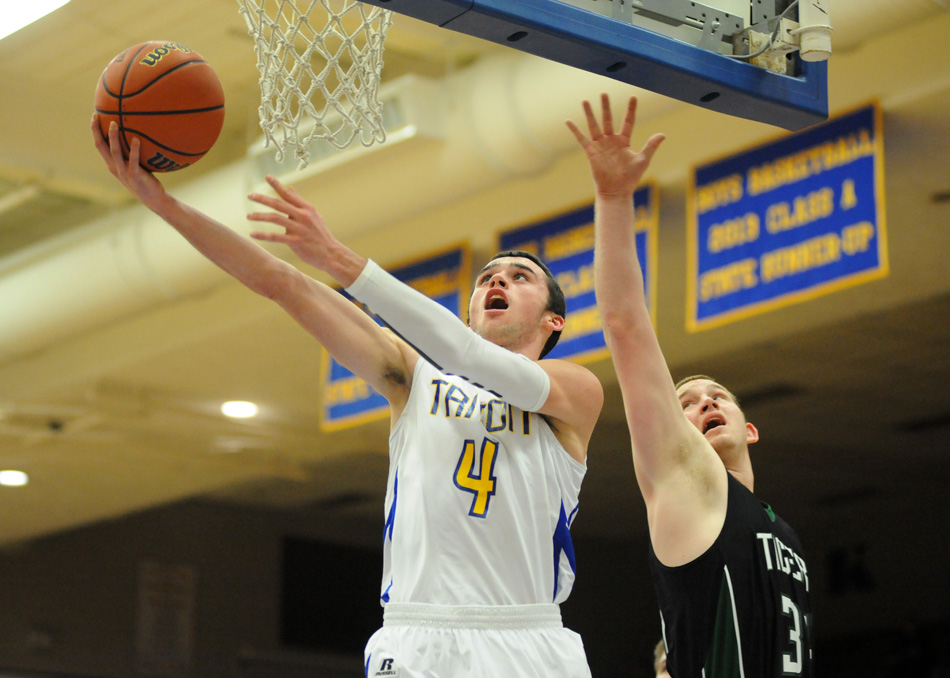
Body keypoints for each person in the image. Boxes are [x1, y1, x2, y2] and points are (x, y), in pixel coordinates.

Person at [92, 116, 604, 677]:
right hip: (419, 634)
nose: (497, 282)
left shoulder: (574, 395)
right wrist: (164, 206)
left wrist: (341, 259)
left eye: (519, 277)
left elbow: (466, 355)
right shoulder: (415, 378)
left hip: (526, 637)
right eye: (487, 277)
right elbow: (280, 281)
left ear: (554, 321)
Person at [566, 94, 814, 677]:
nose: (703, 402)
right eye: (686, 403)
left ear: (750, 430)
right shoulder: (686, 481)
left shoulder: (787, 535)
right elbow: (625, 326)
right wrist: (613, 198)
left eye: (717, 396)